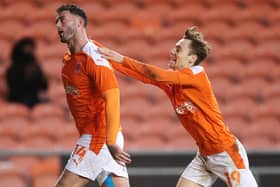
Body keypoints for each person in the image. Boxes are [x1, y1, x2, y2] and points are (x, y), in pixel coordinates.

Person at [99, 26, 258, 187]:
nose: (173, 51)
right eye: (174, 48)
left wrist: (122, 59)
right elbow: (143, 75)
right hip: (204, 156)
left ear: (191, 59)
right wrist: (96, 49)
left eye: (179, 49)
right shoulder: (172, 83)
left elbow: (156, 74)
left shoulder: (197, 75)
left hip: (226, 154)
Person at [55, 4, 131, 187]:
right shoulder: (69, 60)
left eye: (62, 20)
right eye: (56, 21)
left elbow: (112, 96)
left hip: (98, 137)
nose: (58, 26)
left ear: (79, 22)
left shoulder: (93, 56)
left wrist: (111, 141)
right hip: (99, 136)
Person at [5, 37, 48, 108]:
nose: (30, 51)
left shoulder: (35, 67)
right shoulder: (12, 69)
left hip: (34, 99)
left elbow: (44, 87)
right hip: (18, 100)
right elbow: (14, 89)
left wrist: (39, 75)